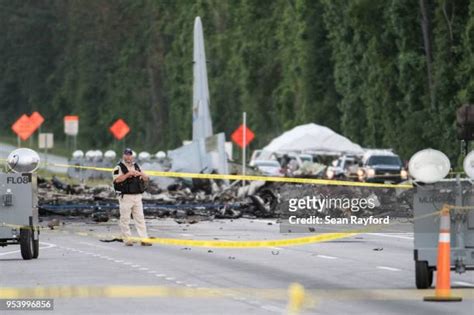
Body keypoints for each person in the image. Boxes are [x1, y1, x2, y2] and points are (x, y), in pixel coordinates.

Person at [112, 148, 152, 246]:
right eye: (126, 154)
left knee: (140, 218)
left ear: (132, 156)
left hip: (137, 196)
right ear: (123, 156)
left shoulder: (137, 166)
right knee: (125, 219)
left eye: (130, 154)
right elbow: (117, 180)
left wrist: (140, 173)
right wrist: (128, 174)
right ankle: (127, 239)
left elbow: (146, 178)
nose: (128, 156)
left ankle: (144, 239)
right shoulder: (119, 167)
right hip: (125, 197)